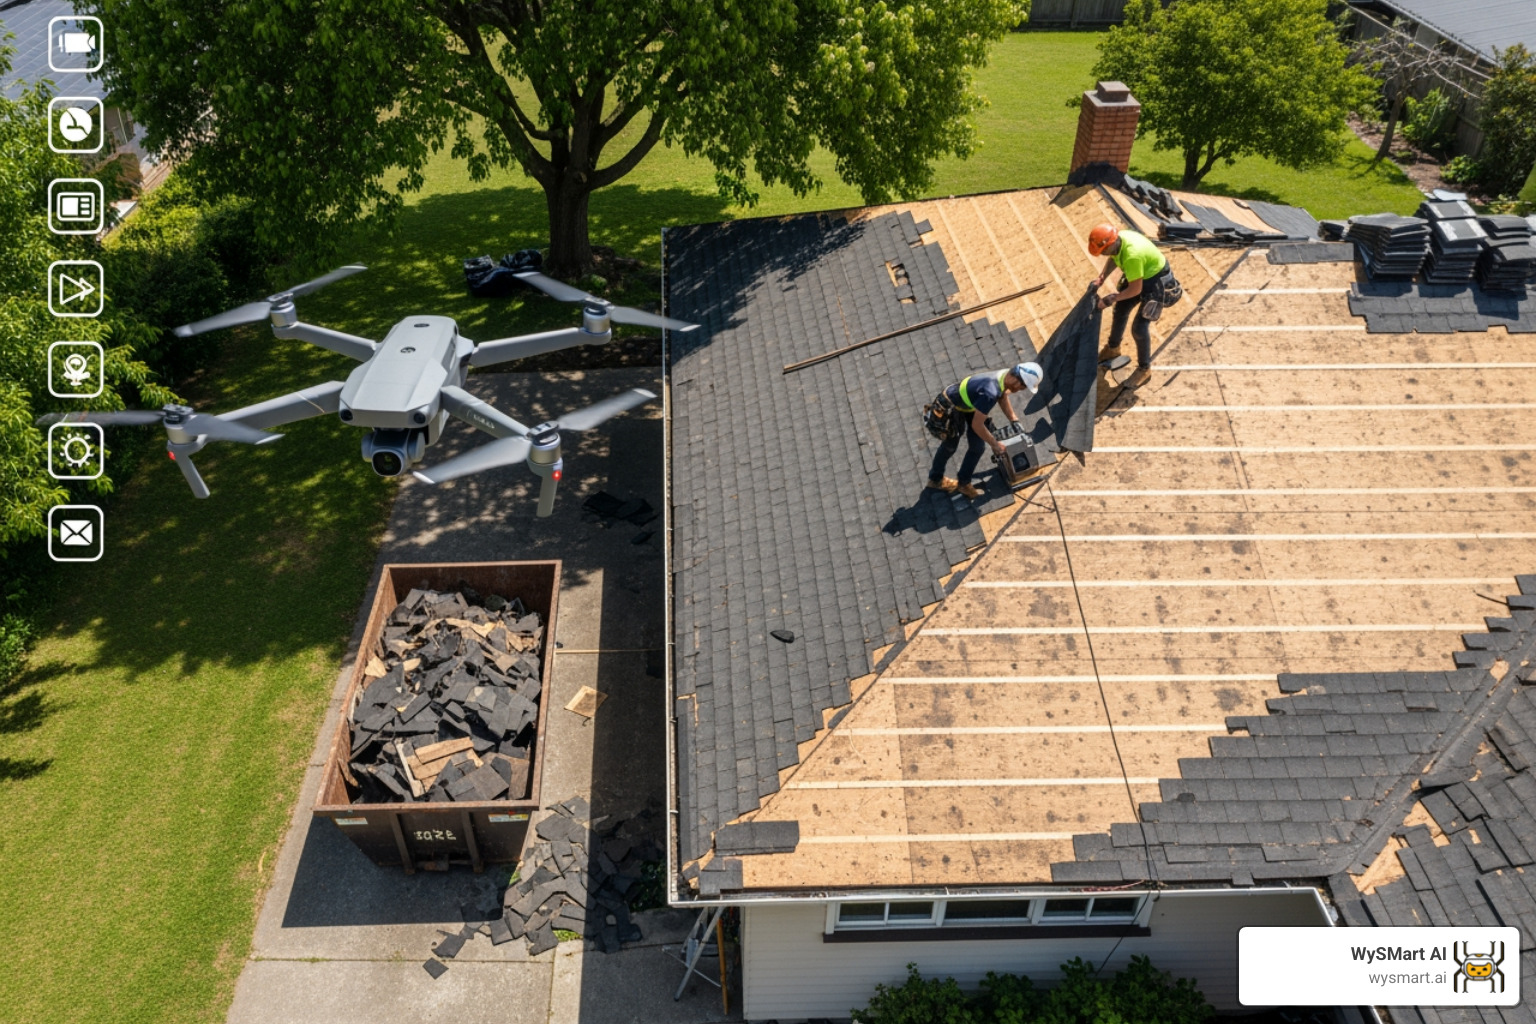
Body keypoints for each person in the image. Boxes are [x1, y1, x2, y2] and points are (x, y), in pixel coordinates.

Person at [927, 361, 1042, 499]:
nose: (1019, 390)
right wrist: (995, 445)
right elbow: (977, 425)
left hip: (970, 403)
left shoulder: (1005, 375)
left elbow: (1002, 396)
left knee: (977, 447)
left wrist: (1014, 419)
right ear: (1017, 381)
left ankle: (963, 483)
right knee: (950, 446)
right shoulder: (990, 392)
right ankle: (935, 479)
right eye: (1022, 387)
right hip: (951, 407)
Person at [1087, 223, 1178, 389]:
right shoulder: (1117, 242)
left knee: (1139, 328)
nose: (1103, 254)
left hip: (1155, 282)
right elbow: (1113, 258)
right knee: (1120, 310)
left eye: (1103, 251)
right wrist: (1101, 278)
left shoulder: (1132, 256)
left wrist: (1110, 299)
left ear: (1111, 243)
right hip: (1140, 275)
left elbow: (1136, 290)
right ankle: (1113, 349)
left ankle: (1144, 369)